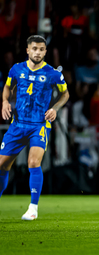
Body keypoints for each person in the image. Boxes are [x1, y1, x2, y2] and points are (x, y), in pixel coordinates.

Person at [0, 35, 69, 220]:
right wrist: (5, 101)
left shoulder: (53, 73)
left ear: (45, 52)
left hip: (39, 125)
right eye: (34, 49)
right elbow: (7, 87)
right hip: (17, 124)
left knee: (33, 162)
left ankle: (33, 208)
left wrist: (55, 108)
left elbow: (65, 94)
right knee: (2, 165)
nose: (37, 52)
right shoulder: (16, 69)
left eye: (41, 49)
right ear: (27, 50)